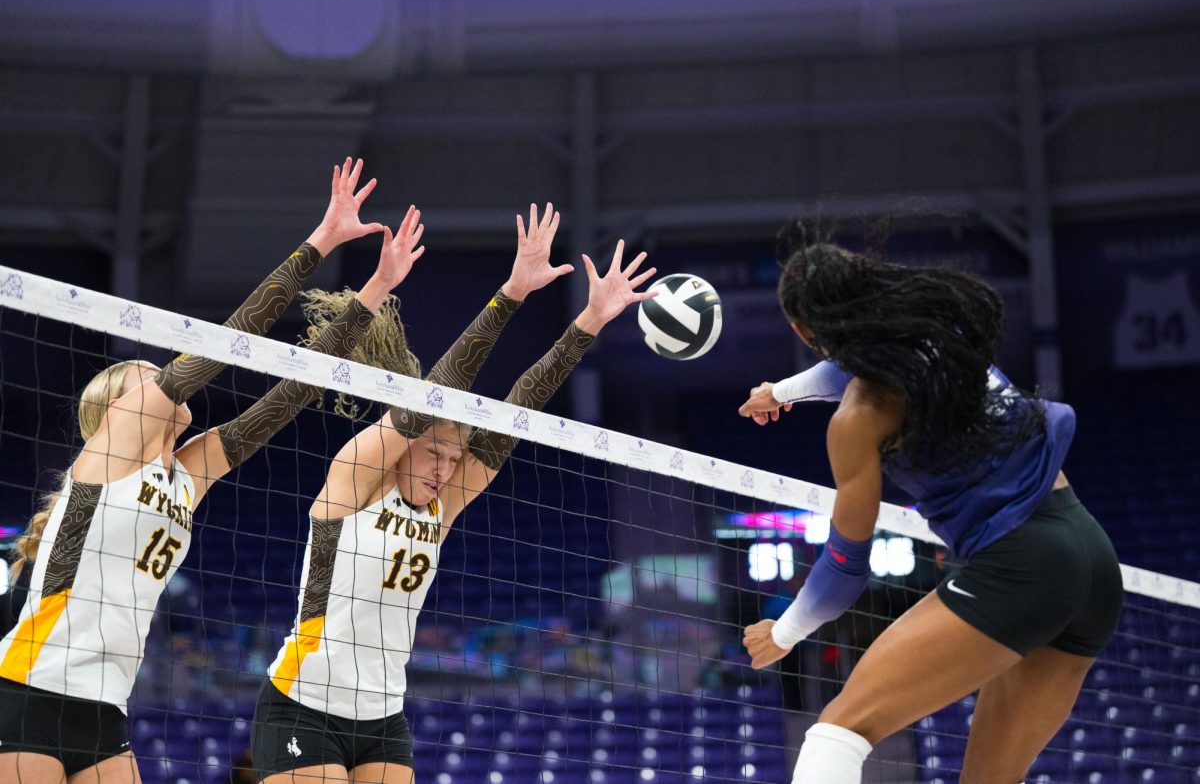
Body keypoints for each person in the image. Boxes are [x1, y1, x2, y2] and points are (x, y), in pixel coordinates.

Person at [0, 159, 428, 784]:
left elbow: (289, 398)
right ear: (120, 406)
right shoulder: (113, 455)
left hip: (105, 707)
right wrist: (321, 242)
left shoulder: (184, 475)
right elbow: (229, 340)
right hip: (30, 691)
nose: (160, 375)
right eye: (147, 375)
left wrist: (370, 296)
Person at [252, 205, 657, 784]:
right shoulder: (358, 480)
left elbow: (519, 408)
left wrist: (587, 322)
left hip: (383, 716)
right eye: (434, 453)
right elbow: (437, 391)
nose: (445, 469)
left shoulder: (442, 505)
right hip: (304, 703)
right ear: (405, 442)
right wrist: (511, 293)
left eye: (454, 458)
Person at [738, 227, 1122, 784]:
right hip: (1090, 557)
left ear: (802, 329)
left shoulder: (857, 420)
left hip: (1023, 569)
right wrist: (783, 392)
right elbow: (848, 366)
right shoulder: (941, 335)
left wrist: (785, 631)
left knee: (838, 731)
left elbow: (845, 569)